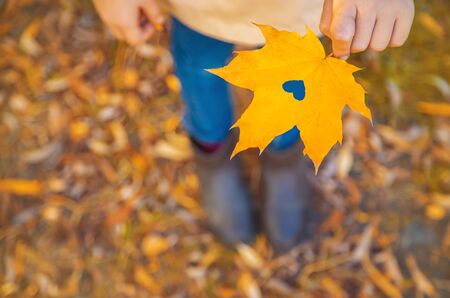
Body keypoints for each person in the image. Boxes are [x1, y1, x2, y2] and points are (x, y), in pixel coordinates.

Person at [92, 0, 415, 253]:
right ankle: (211, 152)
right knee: (200, 66)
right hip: (199, 7)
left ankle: (282, 155)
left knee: (294, 78)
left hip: (300, 8)